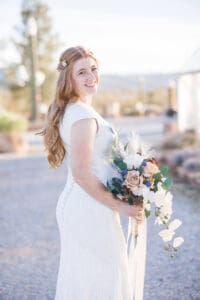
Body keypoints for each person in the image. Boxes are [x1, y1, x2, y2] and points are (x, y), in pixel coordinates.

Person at [40, 46, 146, 300]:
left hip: (88, 204)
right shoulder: (82, 116)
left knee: (90, 277)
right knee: (102, 278)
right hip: (87, 207)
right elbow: (81, 173)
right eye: (82, 72)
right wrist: (121, 207)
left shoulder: (77, 111)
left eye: (94, 69)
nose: (91, 77)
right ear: (69, 78)